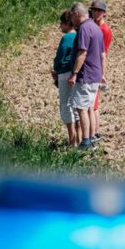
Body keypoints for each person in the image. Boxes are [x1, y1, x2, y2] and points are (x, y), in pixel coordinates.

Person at [66, 3, 104, 149]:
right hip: (95, 74)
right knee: (89, 108)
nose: (71, 21)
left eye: (72, 17)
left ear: (76, 14)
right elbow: (102, 54)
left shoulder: (83, 29)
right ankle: (90, 138)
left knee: (82, 109)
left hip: (85, 75)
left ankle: (86, 141)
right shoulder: (96, 28)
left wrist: (74, 73)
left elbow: (82, 53)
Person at [51, 11, 78, 147]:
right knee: (76, 106)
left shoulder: (67, 37)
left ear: (68, 24)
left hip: (65, 73)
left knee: (66, 106)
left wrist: (56, 70)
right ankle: (79, 138)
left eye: (61, 23)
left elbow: (61, 55)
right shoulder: (79, 36)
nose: (60, 26)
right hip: (76, 73)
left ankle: (71, 140)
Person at [89, 0, 111, 143]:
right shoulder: (95, 27)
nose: (95, 13)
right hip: (93, 67)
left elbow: (103, 53)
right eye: (93, 10)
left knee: (94, 104)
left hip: (95, 68)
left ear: (103, 13)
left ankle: (95, 133)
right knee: (93, 103)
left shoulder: (104, 30)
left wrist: (101, 73)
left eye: (98, 11)